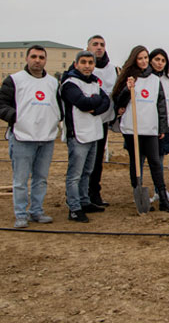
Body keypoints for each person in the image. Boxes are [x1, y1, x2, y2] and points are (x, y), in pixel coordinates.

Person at [0, 45, 62, 228]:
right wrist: (15, 117)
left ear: (45, 60)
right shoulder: (14, 80)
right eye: (34, 57)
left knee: (40, 179)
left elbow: (58, 106)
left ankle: (37, 211)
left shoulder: (52, 83)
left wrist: (56, 119)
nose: (37, 60)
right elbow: (2, 104)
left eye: (41, 57)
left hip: (46, 138)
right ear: (27, 58)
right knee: (20, 181)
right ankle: (20, 214)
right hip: (23, 138)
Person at [112, 45, 169, 212]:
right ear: (134, 60)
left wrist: (162, 127)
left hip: (150, 127)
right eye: (140, 58)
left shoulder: (155, 80)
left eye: (145, 58)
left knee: (155, 162)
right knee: (136, 163)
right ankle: (139, 194)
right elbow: (118, 102)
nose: (143, 61)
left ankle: (163, 197)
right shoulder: (129, 78)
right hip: (132, 128)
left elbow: (161, 105)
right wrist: (127, 89)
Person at [61, 51, 111, 222]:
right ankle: (74, 208)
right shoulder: (70, 84)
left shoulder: (94, 82)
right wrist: (95, 100)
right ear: (76, 64)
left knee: (87, 171)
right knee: (75, 174)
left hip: (93, 133)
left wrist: (95, 108)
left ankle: (84, 201)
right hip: (78, 135)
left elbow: (106, 102)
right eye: (83, 62)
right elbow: (82, 103)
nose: (87, 65)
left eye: (90, 62)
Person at [87, 35, 116, 207]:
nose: (99, 47)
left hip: (102, 120)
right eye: (95, 44)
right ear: (88, 47)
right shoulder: (81, 67)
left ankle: (94, 193)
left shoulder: (112, 69)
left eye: (102, 45)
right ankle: (80, 195)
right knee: (84, 160)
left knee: (97, 160)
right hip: (84, 122)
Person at [148, 48, 169, 203]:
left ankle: (159, 191)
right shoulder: (146, 78)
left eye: (163, 60)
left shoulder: (168, 79)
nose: (159, 63)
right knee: (143, 160)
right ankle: (140, 190)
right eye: (157, 60)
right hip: (147, 124)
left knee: (159, 159)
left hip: (164, 123)